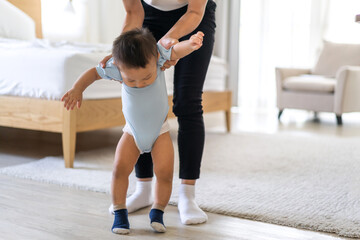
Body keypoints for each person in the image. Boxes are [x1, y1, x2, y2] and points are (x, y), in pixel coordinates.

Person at [61, 28, 204, 234]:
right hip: (132, 133)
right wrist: (77, 88)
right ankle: (120, 213)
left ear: (155, 58)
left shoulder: (157, 56)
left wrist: (190, 44)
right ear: (119, 67)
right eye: (131, 80)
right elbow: (93, 72)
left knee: (164, 173)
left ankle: (158, 212)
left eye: (146, 78)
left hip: (160, 132)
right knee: (119, 169)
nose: (139, 84)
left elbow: (176, 51)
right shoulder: (116, 67)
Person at [102, 0, 216, 225]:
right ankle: (143, 189)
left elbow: (194, 11)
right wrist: (119, 52)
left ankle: (187, 195)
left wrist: (167, 43)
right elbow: (133, 9)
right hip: (148, 15)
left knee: (188, 102)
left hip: (194, 17)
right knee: (142, 101)